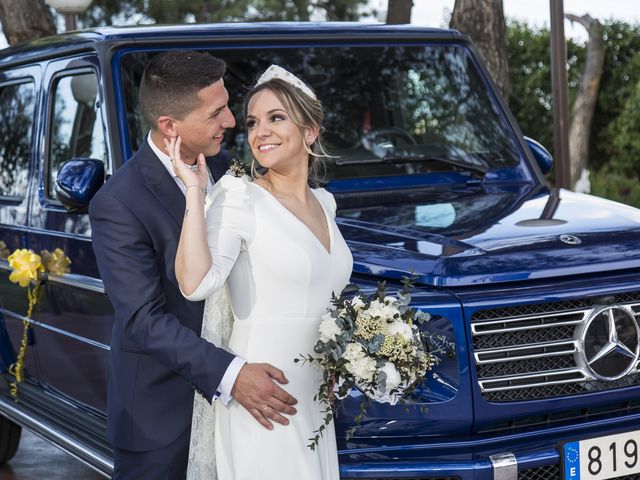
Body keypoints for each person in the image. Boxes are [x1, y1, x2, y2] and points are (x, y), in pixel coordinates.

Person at [89, 52, 297, 480]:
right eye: (217, 112)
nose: (232, 123)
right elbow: (144, 321)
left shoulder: (230, 169)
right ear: (170, 126)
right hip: (164, 417)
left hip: (251, 412)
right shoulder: (118, 203)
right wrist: (232, 375)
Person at [169, 65, 353, 479]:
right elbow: (194, 284)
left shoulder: (326, 204)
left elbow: (326, 300)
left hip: (316, 398)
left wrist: (347, 363)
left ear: (310, 131)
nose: (260, 132)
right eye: (252, 122)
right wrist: (196, 191)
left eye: (276, 118)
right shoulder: (239, 196)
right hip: (266, 397)